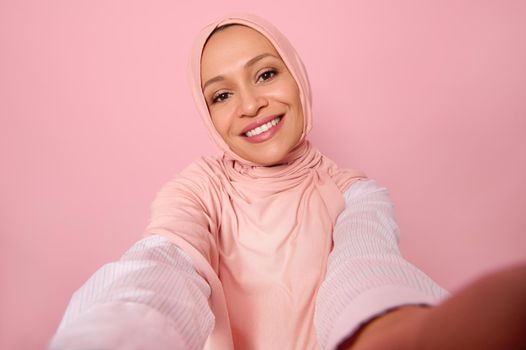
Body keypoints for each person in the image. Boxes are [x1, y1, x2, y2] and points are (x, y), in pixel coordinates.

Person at [49, 14, 526, 350]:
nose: (250, 105)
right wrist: (111, 334)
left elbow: (367, 264)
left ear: (298, 78)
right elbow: (164, 264)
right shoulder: (197, 191)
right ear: (207, 113)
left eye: (266, 73)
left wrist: (406, 333)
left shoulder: (356, 194)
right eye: (221, 94)